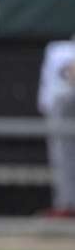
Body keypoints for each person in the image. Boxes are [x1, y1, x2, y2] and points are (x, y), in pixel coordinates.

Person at [38, 40, 75, 217]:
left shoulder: (62, 50)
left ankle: (67, 205)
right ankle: (66, 204)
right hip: (59, 107)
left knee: (65, 157)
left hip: (65, 105)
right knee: (62, 157)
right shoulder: (59, 49)